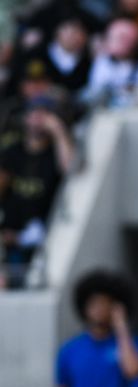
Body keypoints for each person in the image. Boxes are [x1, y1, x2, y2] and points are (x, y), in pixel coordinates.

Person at [0, 94, 75, 283]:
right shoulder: (12, 151)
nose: (38, 118)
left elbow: (70, 169)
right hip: (11, 235)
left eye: (44, 113)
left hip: (45, 234)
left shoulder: (55, 151)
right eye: (34, 113)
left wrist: (58, 131)